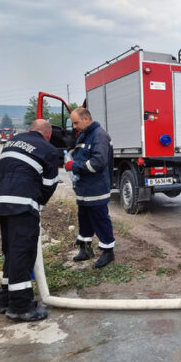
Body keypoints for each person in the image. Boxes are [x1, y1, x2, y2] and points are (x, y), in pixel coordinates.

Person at [0, 119, 59, 321]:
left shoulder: (11, 141)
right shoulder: (48, 148)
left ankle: (5, 300)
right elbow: (49, 184)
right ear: (47, 134)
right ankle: (20, 307)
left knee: (11, 250)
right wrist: (39, 204)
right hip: (22, 203)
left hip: (1, 202)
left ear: (30, 130)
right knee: (23, 253)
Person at [64, 107, 116, 268]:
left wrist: (75, 165)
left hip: (96, 189)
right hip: (84, 189)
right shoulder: (85, 135)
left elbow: (97, 163)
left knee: (100, 220)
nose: (74, 126)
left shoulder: (99, 135)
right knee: (84, 219)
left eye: (76, 122)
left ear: (86, 119)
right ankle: (85, 249)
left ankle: (108, 251)